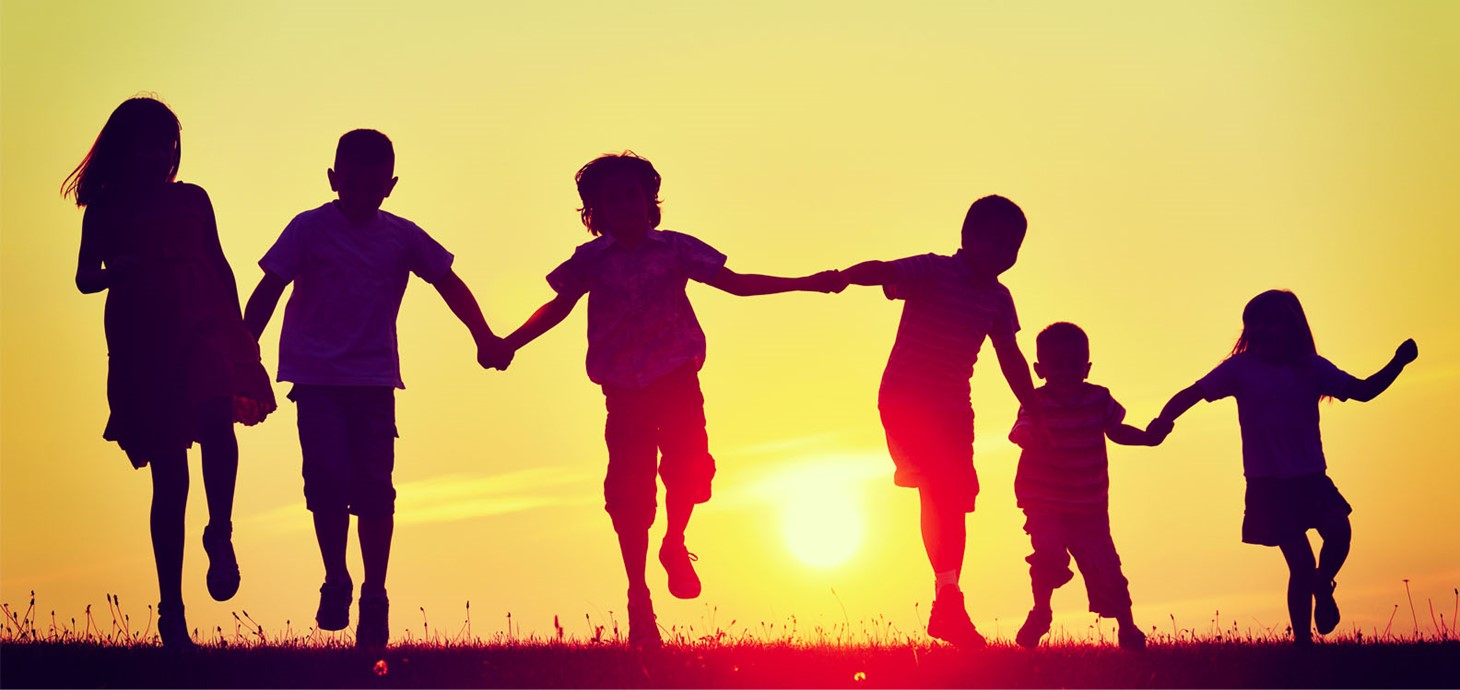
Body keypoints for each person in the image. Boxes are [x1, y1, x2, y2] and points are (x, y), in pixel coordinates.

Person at [500, 151, 845, 649]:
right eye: (610, 198)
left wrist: (807, 283)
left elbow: (736, 284)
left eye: (632, 195)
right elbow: (557, 306)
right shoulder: (590, 261)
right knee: (630, 495)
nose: (624, 205)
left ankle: (675, 541)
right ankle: (639, 597)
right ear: (593, 211)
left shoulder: (676, 250)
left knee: (691, 473)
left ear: (650, 201)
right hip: (623, 393)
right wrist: (509, 342)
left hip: (677, 382)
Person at [243, 129, 509, 649]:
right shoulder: (308, 229)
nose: (362, 196)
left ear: (390, 186)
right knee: (324, 481)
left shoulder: (401, 236)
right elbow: (269, 288)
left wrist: (484, 336)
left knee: (374, 490)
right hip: (316, 380)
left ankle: (375, 593)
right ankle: (336, 577)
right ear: (333, 179)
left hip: (372, 382)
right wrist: (240, 352)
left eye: (373, 186)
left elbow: (448, 282)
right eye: (352, 185)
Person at [64, 96, 276, 648]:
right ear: (124, 148)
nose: (161, 152)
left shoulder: (193, 200)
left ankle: (220, 532)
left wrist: (239, 335)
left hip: (202, 327)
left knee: (217, 425)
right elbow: (86, 278)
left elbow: (221, 263)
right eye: (150, 142)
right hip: (142, 339)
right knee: (170, 476)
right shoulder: (105, 209)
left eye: (168, 143)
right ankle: (172, 611)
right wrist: (121, 271)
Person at [1148, 289, 1418, 646]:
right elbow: (1193, 393)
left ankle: (1324, 585)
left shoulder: (1311, 366)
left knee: (1339, 532)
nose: (1261, 330)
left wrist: (1398, 363)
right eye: (1253, 324)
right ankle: (1303, 643)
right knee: (1300, 565)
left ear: (1291, 326)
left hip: (1310, 478)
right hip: (1268, 485)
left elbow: (1364, 391)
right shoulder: (1240, 368)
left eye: (1269, 322)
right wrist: (1162, 422)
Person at [837, 194, 1039, 648]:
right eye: (997, 242)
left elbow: (1011, 357)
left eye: (1014, 247)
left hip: (952, 409)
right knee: (935, 486)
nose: (1005, 254)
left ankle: (947, 600)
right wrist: (842, 277)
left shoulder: (998, 299)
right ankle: (948, 602)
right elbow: (885, 271)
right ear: (968, 237)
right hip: (908, 399)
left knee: (952, 501)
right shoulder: (934, 270)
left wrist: (1034, 407)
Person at [1008, 322, 1158, 650]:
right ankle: (1041, 612)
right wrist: (1030, 437)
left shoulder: (1098, 399)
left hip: (1088, 505)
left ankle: (1128, 628)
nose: (1066, 371)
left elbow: (1116, 430)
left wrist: (1146, 438)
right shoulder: (1036, 402)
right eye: (1057, 364)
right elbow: (1021, 429)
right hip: (1044, 499)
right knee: (1048, 553)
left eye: (1074, 364)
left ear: (1087, 367)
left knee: (1107, 567)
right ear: (1040, 369)